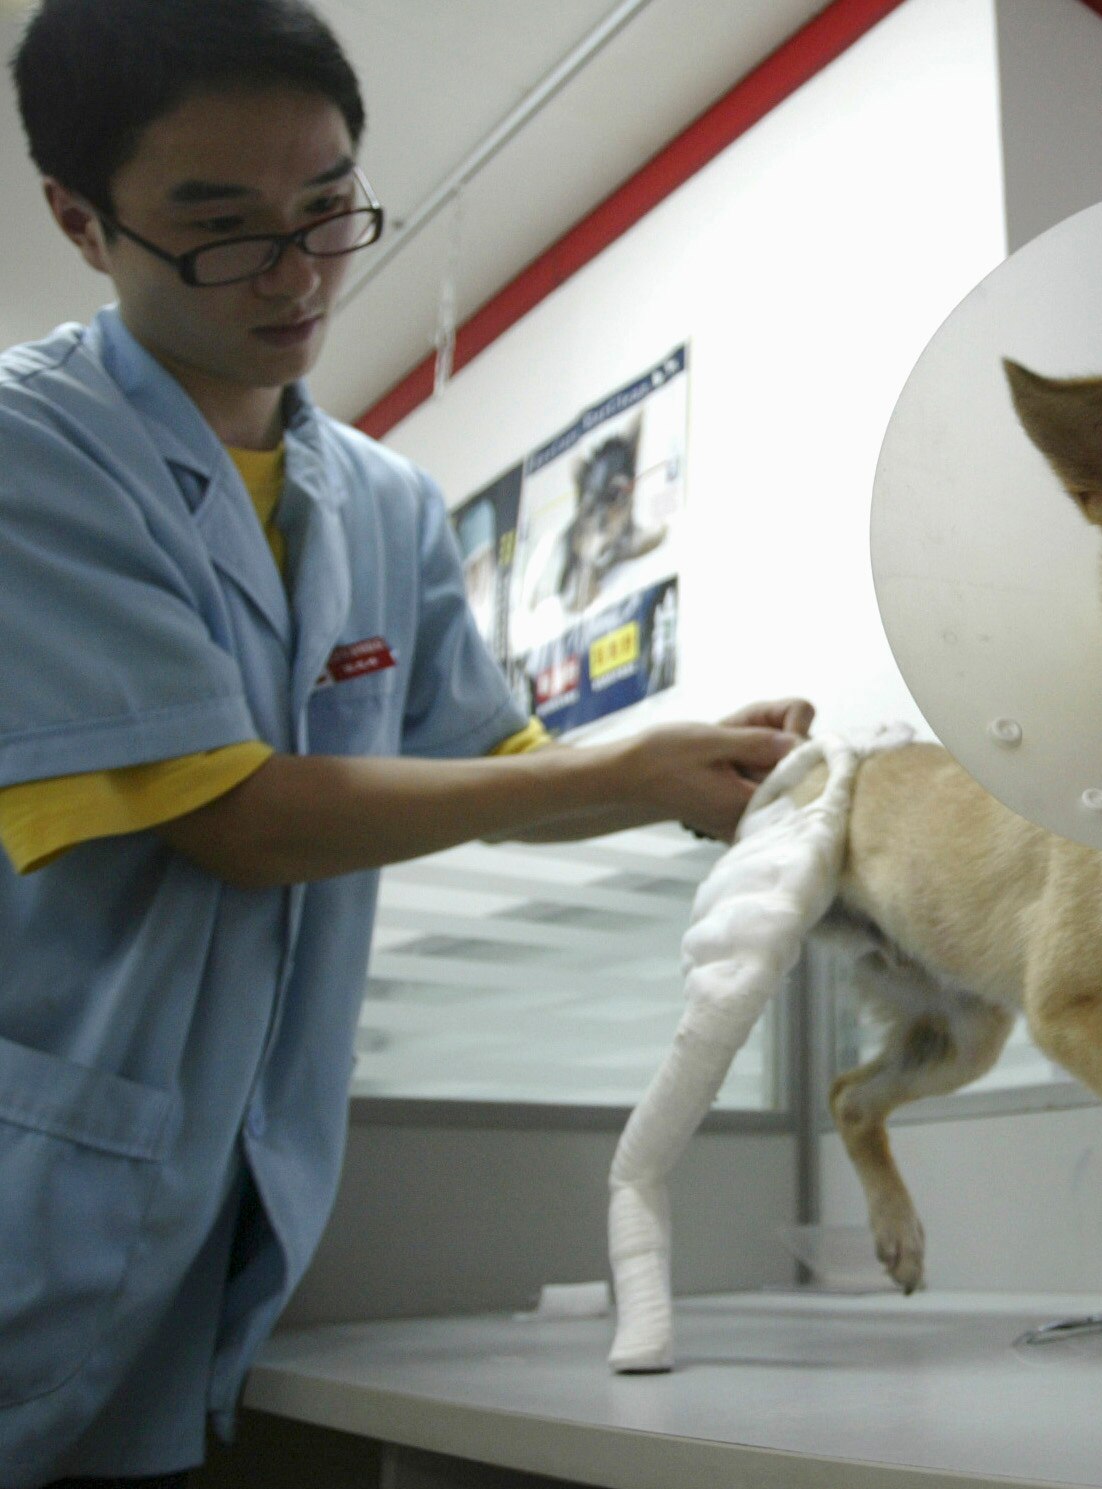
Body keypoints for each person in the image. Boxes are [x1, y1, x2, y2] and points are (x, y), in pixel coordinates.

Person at [0, 3, 811, 1484]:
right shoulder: (28, 453)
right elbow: (238, 816)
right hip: (43, 1180)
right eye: (223, 227)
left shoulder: (381, 504)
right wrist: (621, 774)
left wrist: (697, 770)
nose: (299, 272)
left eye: (326, 208)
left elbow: (493, 779)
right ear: (79, 217)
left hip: (245, 1213)